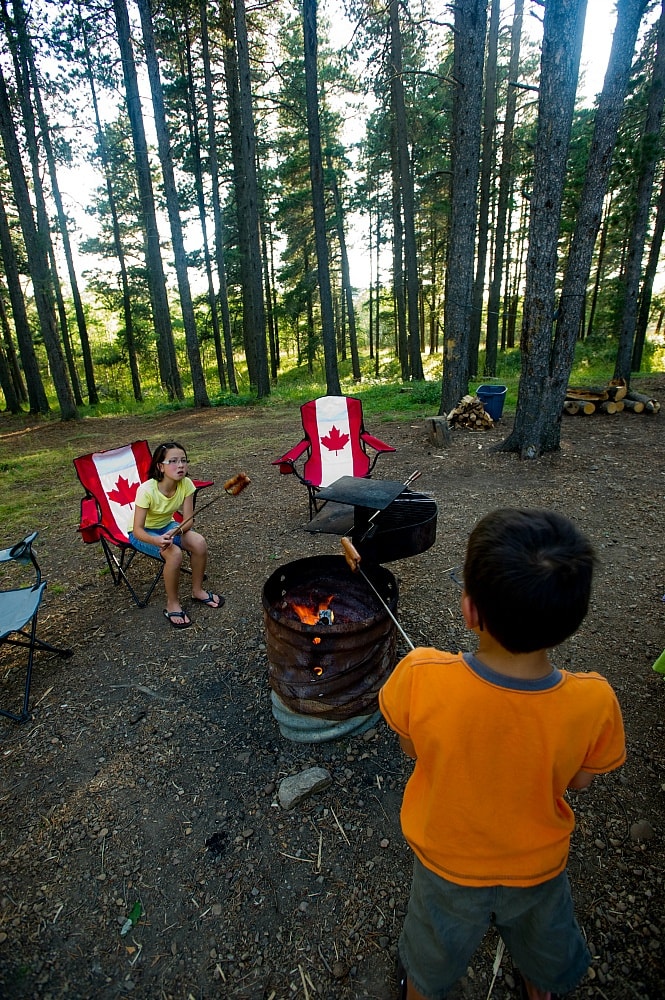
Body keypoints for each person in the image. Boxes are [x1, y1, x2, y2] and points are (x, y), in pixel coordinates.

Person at [379, 508, 626, 1000]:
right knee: (543, 950)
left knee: (430, 962)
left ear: (470, 610)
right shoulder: (595, 700)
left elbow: (412, 748)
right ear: (571, 621)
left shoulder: (420, 673)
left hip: (444, 866)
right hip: (538, 869)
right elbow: (579, 781)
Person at [129, 441, 223, 629]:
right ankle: (172, 603)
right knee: (174, 553)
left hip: (168, 526)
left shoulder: (186, 484)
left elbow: (188, 521)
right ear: (160, 466)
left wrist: (176, 530)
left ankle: (197, 591)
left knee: (199, 542)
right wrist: (156, 540)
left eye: (183, 460)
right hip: (143, 533)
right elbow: (137, 529)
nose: (180, 465)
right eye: (173, 461)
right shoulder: (147, 490)